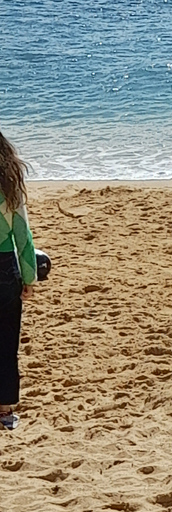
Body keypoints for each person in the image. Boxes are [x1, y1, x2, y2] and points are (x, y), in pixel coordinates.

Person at [0, 132, 36, 430]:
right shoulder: (9, 184)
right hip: (4, 268)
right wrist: (29, 277)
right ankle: (5, 410)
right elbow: (22, 236)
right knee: (7, 339)